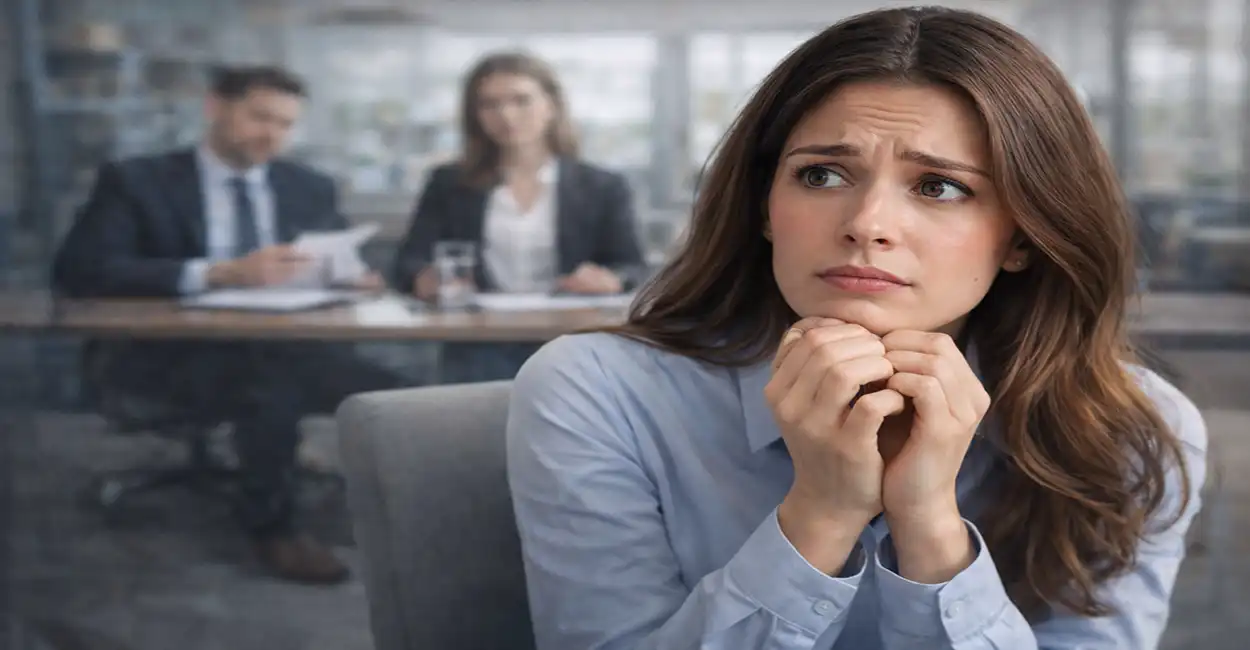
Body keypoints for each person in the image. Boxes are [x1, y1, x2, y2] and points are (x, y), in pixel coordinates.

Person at [505, 7, 1206, 650]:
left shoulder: (1134, 432)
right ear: (763, 205)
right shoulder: (596, 392)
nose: (867, 224)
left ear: (1023, 235)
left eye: (939, 187)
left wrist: (929, 526)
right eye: (821, 176)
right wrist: (822, 512)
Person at [52, 65, 403, 585]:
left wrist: (354, 277)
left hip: (291, 348)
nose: (272, 135)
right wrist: (217, 273)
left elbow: (337, 260)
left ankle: (426, 517)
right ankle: (274, 528)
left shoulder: (307, 186)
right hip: (169, 357)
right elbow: (81, 270)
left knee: (404, 395)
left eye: (285, 124)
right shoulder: (138, 181)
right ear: (215, 107)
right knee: (269, 385)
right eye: (260, 117)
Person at [392, 51, 648, 383]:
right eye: (489, 104)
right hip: (479, 337)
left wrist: (611, 279)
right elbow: (408, 261)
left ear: (551, 105)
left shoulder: (602, 186)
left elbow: (632, 267)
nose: (506, 115)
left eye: (521, 100)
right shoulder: (449, 183)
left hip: (572, 337)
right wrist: (425, 279)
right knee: (480, 386)